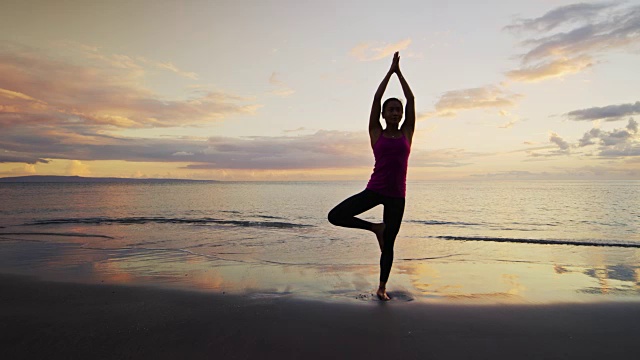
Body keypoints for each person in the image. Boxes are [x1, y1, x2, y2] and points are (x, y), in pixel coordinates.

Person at [328, 51, 414, 301]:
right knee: (335, 215)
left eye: (398, 110)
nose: (396, 113)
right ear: (384, 115)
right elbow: (376, 98)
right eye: (392, 110)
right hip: (375, 189)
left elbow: (411, 99)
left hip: (397, 195)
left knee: (389, 245)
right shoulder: (376, 132)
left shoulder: (408, 132)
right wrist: (390, 72)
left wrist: (401, 73)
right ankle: (375, 228)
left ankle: (382, 288)